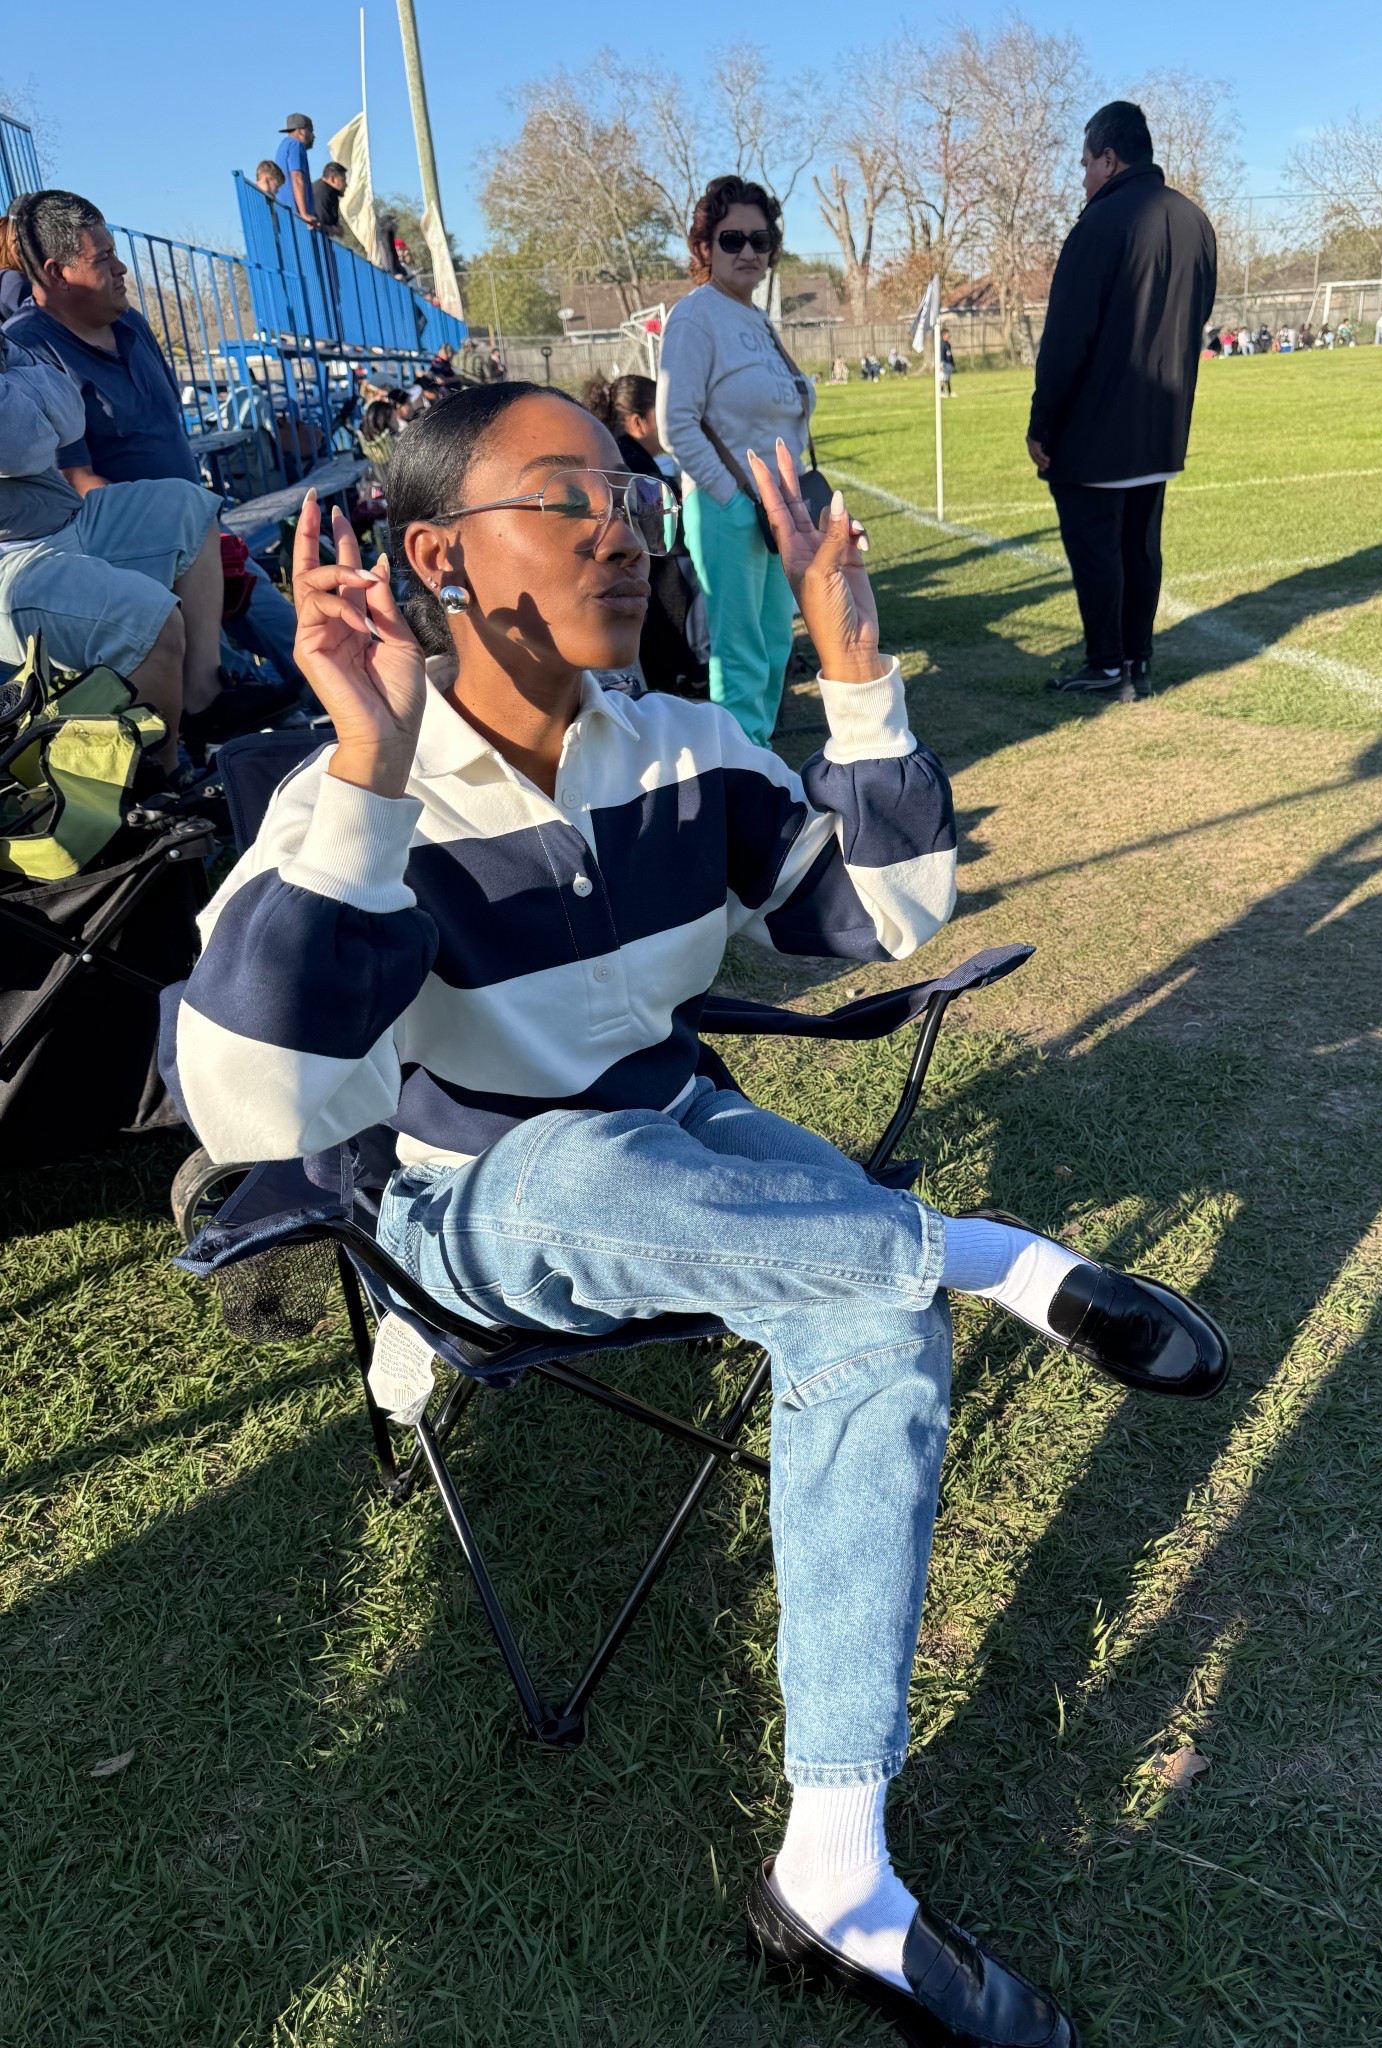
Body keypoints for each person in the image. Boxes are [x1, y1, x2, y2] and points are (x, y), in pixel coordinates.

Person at [169, 379, 1227, 2048]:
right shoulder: (356, 802)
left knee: (868, 1319)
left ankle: (835, 1871)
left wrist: (855, 663)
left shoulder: (683, 748)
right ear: (439, 559)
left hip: (688, 1136)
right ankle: (991, 1255)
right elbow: (261, 1114)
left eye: (630, 497)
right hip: (473, 1195)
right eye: (565, 497)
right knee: (606, 1176)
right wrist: (370, 765)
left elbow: (883, 910)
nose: (622, 532)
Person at [5, 188, 304, 711]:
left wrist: (196, 528)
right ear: (57, 273)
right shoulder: (31, 345)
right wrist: (169, 537)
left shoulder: (131, 324)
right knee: (234, 663)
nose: (121, 268)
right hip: (129, 552)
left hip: (199, 530)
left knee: (292, 640)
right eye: (103, 259)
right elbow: (72, 478)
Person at [1026, 101, 1216, 702]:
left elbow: (1066, 337)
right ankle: (1138, 658)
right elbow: (1198, 314)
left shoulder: (1099, 223)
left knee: (1098, 549)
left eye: (1085, 163)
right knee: (1140, 545)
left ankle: (1107, 661)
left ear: (1109, 159)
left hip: (1095, 429)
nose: (1083, 177)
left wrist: (1043, 422)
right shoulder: (1195, 221)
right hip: (1161, 424)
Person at [0, 329, 225, 774]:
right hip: (11, 560)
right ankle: (163, 780)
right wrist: (26, 393)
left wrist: (19, 395)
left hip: (66, 518)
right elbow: (18, 447)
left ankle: (203, 702)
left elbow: (71, 413)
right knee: (146, 620)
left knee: (187, 507)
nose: (120, 279)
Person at [657, 174, 814, 746]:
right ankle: (742, 771)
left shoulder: (756, 318)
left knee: (774, 642)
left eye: (760, 240)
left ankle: (758, 759)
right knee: (741, 650)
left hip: (775, 509)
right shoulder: (696, 316)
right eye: (732, 239)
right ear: (705, 247)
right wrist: (730, 498)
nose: (748, 251)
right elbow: (675, 423)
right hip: (730, 508)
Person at [583, 370, 708, 698]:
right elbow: (655, 531)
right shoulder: (632, 465)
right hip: (658, 595)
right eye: (661, 415)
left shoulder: (629, 457)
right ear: (638, 422)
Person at [274, 115, 318, 229]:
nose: (313, 136)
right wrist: (304, 214)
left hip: (284, 212)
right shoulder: (296, 145)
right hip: (295, 216)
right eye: (310, 131)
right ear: (300, 132)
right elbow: (297, 178)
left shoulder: (284, 145)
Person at [313, 162, 348, 239]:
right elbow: (322, 225)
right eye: (343, 180)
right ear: (332, 179)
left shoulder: (331, 193)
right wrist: (336, 230)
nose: (346, 185)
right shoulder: (322, 193)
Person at [938, 326, 955, 394]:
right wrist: (941, 364)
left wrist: (952, 363)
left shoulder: (948, 344)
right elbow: (941, 354)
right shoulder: (941, 344)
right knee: (942, 377)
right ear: (943, 335)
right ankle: (941, 392)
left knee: (947, 377)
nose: (948, 335)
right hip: (943, 363)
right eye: (947, 334)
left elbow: (949, 354)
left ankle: (949, 392)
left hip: (948, 363)